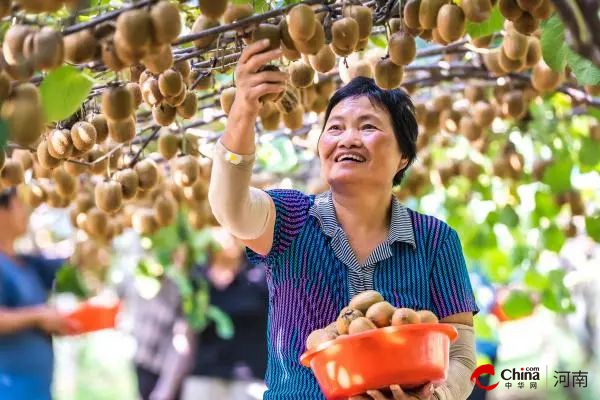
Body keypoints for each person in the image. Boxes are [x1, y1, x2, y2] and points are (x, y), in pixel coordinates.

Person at [208, 39, 480, 400]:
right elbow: (232, 209)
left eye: (368, 126)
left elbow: (461, 351)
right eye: (335, 128)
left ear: (402, 156)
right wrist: (242, 110)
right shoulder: (291, 219)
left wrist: (437, 396)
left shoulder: (435, 240)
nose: (347, 139)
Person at [0, 187, 75, 400]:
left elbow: (68, 261)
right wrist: (38, 316)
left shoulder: (23, 261)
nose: (25, 210)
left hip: (37, 389)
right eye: (18, 204)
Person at [181, 228, 268, 400]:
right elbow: (186, 330)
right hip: (204, 376)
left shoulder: (258, 274)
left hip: (249, 380)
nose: (229, 238)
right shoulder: (196, 277)